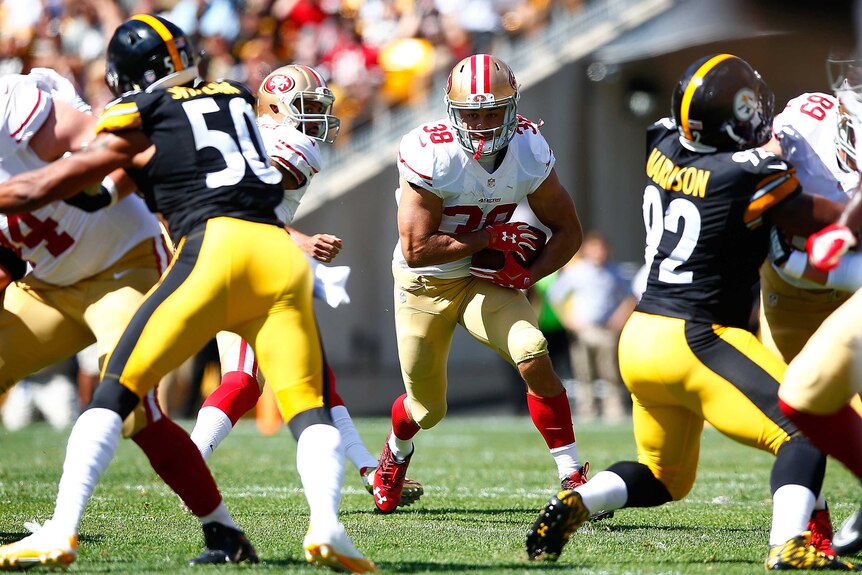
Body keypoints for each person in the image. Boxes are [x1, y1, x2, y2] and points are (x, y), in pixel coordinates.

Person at [0, 14, 374, 573]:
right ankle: (328, 526)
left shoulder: (140, 110)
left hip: (212, 249)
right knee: (307, 404)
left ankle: (60, 530)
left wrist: (78, 189)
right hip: (278, 258)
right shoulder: (238, 97)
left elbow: (85, 186)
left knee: (117, 392)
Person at [525, 53, 859, 571]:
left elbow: (699, 143)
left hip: (639, 338)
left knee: (663, 478)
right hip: (699, 335)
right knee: (807, 425)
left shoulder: (659, 141)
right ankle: (788, 545)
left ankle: (579, 501)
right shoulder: (752, 174)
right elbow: (820, 218)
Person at [0, 67, 255, 568]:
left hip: (123, 264)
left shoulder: (14, 106)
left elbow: (114, 144)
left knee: (134, 404)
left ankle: (222, 531)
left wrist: (107, 190)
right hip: (49, 282)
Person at [188, 63, 423, 506]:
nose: (317, 115)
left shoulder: (254, 138)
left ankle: (372, 472)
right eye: (307, 106)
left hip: (233, 259)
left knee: (302, 379)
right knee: (244, 381)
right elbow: (242, 212)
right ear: (276, 108)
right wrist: (302, 241)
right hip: (242, 263)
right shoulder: (285, 146)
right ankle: (190, 465)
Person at [371, 53, 587, 515]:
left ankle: (572, 475)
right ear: (453, 112)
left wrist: (527, 275)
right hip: (425, 286)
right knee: (427, 409)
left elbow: (570, 232)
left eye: (494, 111)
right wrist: (490, 235)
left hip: (484, 281)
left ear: (513, 108)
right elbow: (417, 249)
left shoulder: (529, 149)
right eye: (473, 113)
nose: (484, 123)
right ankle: (395, 452)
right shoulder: (433, 153)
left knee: (532, 350)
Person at [779, 51, 862, 558]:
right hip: (790, 294)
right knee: (794, 412)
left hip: (848, 290)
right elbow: (770, 205)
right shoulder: (805, 122)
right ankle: (809, 523)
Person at [548, 231, 635, 422]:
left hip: (607, 329)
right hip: (583, 330)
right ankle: (587, 408)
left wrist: (619, 319)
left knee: (610, 371)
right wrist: (568, 320)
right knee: (584, 371)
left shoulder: (615, 271)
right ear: (586, 250)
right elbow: (556, 296)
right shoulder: (577, 271)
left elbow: (630, 297)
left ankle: (613, 408)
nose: (599, 253)